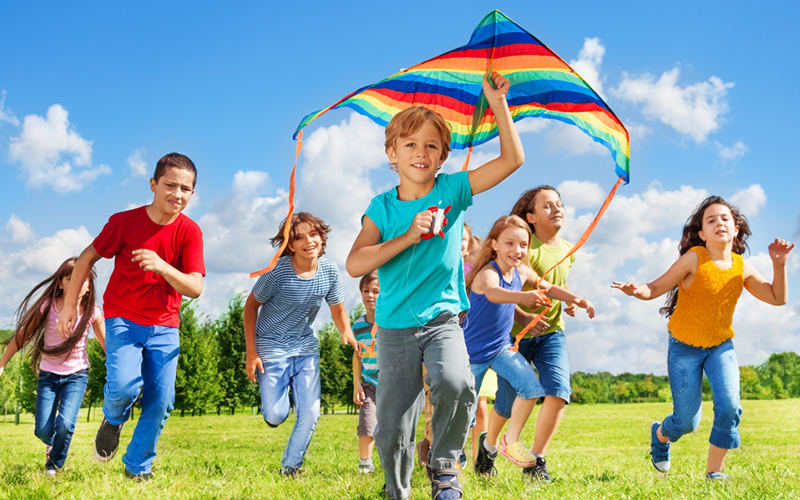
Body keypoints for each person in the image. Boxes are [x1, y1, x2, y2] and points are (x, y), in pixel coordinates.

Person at [346, 71, 525, 500]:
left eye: (431, 145)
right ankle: (398, 487)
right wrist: (407, 235)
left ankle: (445, 467)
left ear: (444, 155)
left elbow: (511, 161)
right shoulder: (382, 208)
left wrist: (498, 104)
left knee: (458, 381)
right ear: (392, 152)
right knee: (393, 424)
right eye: (410, 144)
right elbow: (355, 263)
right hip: (392, 327)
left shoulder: (453, 189)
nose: (420, 153)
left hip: (443, 319)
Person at [611, 196, 794, 480]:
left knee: (730, 406)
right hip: (684, 348)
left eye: (725, 219)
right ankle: (661, 435)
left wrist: (779, 264)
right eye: (711, 220)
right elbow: (655, 287)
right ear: (701, 234)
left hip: (720, 346)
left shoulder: (742, 267)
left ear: (736, 230)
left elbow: (777, 298)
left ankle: (714, 473)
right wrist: (637, 290)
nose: (718, 223)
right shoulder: (694, 258)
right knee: (686, 422)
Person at [58, 153, 205, 480]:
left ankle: (137, 468)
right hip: (123, 318)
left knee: (162, 401)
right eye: (170, 185)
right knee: (124, 386)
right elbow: (86, 258)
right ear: (153, 184)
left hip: (165, 325)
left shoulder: (190, 232)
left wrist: (164, 266)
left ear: (193, 193)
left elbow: (195, 287)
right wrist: (70, 305)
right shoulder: (124, 223)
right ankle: (113, 417)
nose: (177, 194)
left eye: (185, 189)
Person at [464, 216, 594, 477]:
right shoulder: (488, 271)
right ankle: (449, 453)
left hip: (501, 350)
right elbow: (493, 293)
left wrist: (576, 298)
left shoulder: (522, 271)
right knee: (464, 411)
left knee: (531, 389)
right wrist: (523, 297)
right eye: (509, 243)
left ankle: (509, 441)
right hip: (471, 356)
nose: (517, 250)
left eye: (523, 245)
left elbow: (547, 286)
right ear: (495, 244)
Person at [244, 212, 358, 476]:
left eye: (314, 234)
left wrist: (347, 332)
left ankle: (291, 467)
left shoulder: (329, 271)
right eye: (299, 237)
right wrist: (252, 352)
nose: (309, 240)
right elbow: (251, 308)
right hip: (271, 348)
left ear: (322, 237)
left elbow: (339, 310)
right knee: (275, 415)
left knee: (311, 413)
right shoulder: (277, 272)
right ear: (290, 245)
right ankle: (278, 401)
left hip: (305, 348)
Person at [493, 185, 584, 481]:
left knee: (558, 391)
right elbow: (508, 289)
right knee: (506, 403)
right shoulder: (521, 248)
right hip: (514, 336)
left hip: (552, 334)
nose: (556, 208)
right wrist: (522, 314)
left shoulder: (568, 249)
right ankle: (490, 446)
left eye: (559, 203)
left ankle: (537, 460)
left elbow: (558, 284)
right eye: (547, 205)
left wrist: (570, 300)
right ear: (530, 217)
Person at [0, 257, 105, 476]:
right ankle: (54, 444)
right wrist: (2, 364)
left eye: (84, 279)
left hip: (77, 375)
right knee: (43, 430)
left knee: (65, 424)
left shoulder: (92, 311)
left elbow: (108, 346)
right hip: (48, 376)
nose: (78, 283)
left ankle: (54, 465)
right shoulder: (48, 307)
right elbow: (22, 336)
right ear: (59, 283)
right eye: (70, 278)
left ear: (89, 285)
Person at [352, 272, 380, 474]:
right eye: (366, 291)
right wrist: (357, 383)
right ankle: (365, 464)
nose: (370, 295)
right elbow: (357, 356)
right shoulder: (358, 326)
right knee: (367, 422)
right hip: (369, 383)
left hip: (392, 382)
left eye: (376, 291)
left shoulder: (391, 322)